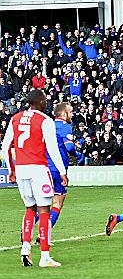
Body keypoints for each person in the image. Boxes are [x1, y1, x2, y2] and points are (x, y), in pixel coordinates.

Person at [1, 89, 68, 267]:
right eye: (45, 101)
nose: (46, 103)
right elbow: (53, 149)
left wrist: (11, 170)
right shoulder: (45, 121)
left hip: (21, 170)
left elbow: (5, 147)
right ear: (40, 102)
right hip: (38, 169)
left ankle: (25, 247)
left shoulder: (15, 118)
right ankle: (45, 256)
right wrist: (62, 172)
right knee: (44, 211)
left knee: (30, 209)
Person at [42, 103, 79, 235]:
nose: (72, 114)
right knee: (57, 202)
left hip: (44, 167)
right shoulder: (65, 127)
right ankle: (44, 233)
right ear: (63, 114)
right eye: (70, 112)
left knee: (41, 203)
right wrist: (77, 154)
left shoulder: (48, 125)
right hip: (58, 169)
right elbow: (69, 147)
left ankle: (26, 230)